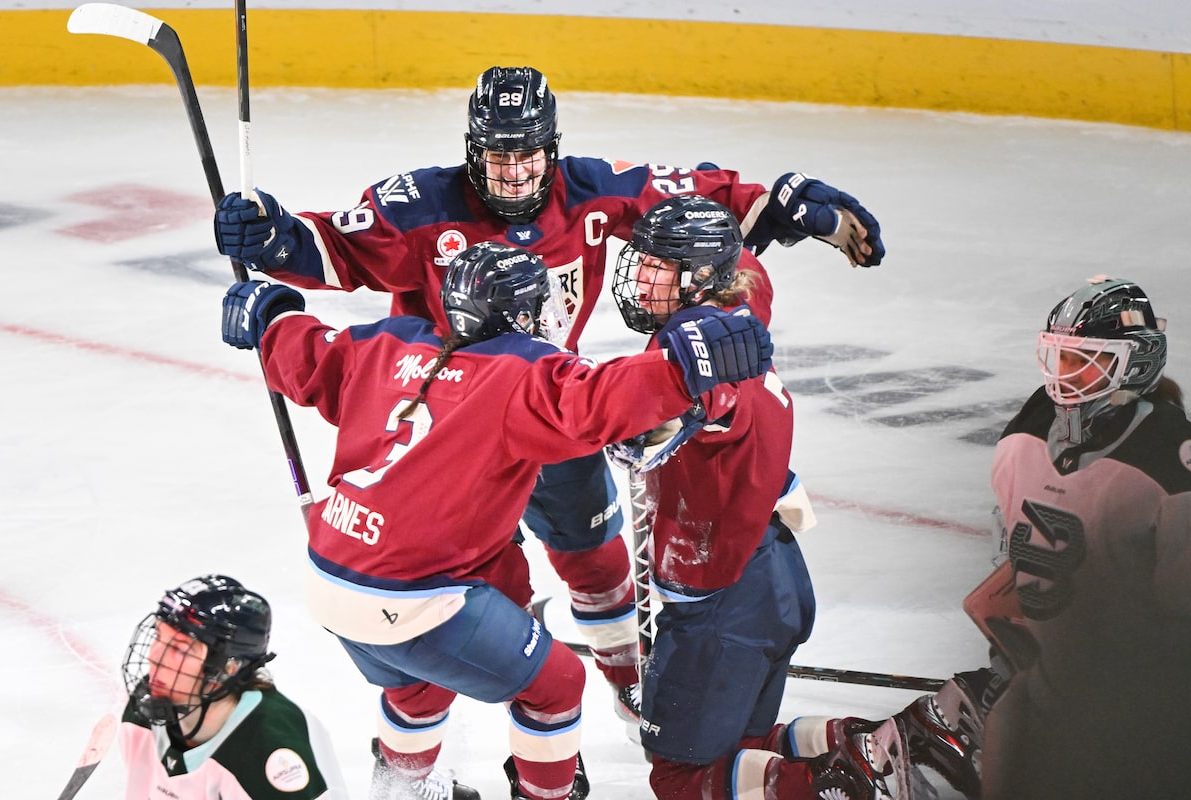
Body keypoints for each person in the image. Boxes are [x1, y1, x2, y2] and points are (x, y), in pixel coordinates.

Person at [211, 65, 886, 728]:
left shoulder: (589, 190)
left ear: (552, 149)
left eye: (527, 157)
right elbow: (330, 247)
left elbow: (693, 206)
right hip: (451, 434)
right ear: (473, 151)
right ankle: (496, 729)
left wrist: (779, 203)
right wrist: (272, 234)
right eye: (498, 158)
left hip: (548, 406)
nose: (513, 174)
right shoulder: (420, 203)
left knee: (595, 557)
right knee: (472, 601)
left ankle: (626, 680)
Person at [218, 240, 775, 800]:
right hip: (412, 596)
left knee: (420, 689)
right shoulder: (519, 371)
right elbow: (598, 402)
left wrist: (270, 313)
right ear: (521, 314)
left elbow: (309, 353)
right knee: (558, 685)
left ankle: (399, 791)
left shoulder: (388, 342)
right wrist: (683, 367)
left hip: (331, 576)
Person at [809, 276, 1191, 800]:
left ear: (1135, 362)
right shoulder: (1037, 424)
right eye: (1059, 359)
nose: (1064, 377)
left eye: (1085, 360)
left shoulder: (1166, 460)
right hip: (1046, 682)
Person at [606, 196, 900, 800]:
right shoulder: (742, 294)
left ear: (696, 275)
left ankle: (840, 785)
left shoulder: (689, 345)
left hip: (723, 599)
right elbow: (747, 256)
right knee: (743, 750)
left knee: (681, 776)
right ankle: (891, 743)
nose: (640, 278)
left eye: (659, 266)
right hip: (775, 572)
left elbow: (640, 435)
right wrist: (778, 210)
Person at [118, 574, 348, 800]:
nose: (154, 658)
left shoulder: (272, 749)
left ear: (228, 668)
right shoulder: (144, 712)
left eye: (179, 648)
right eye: (158, 636)